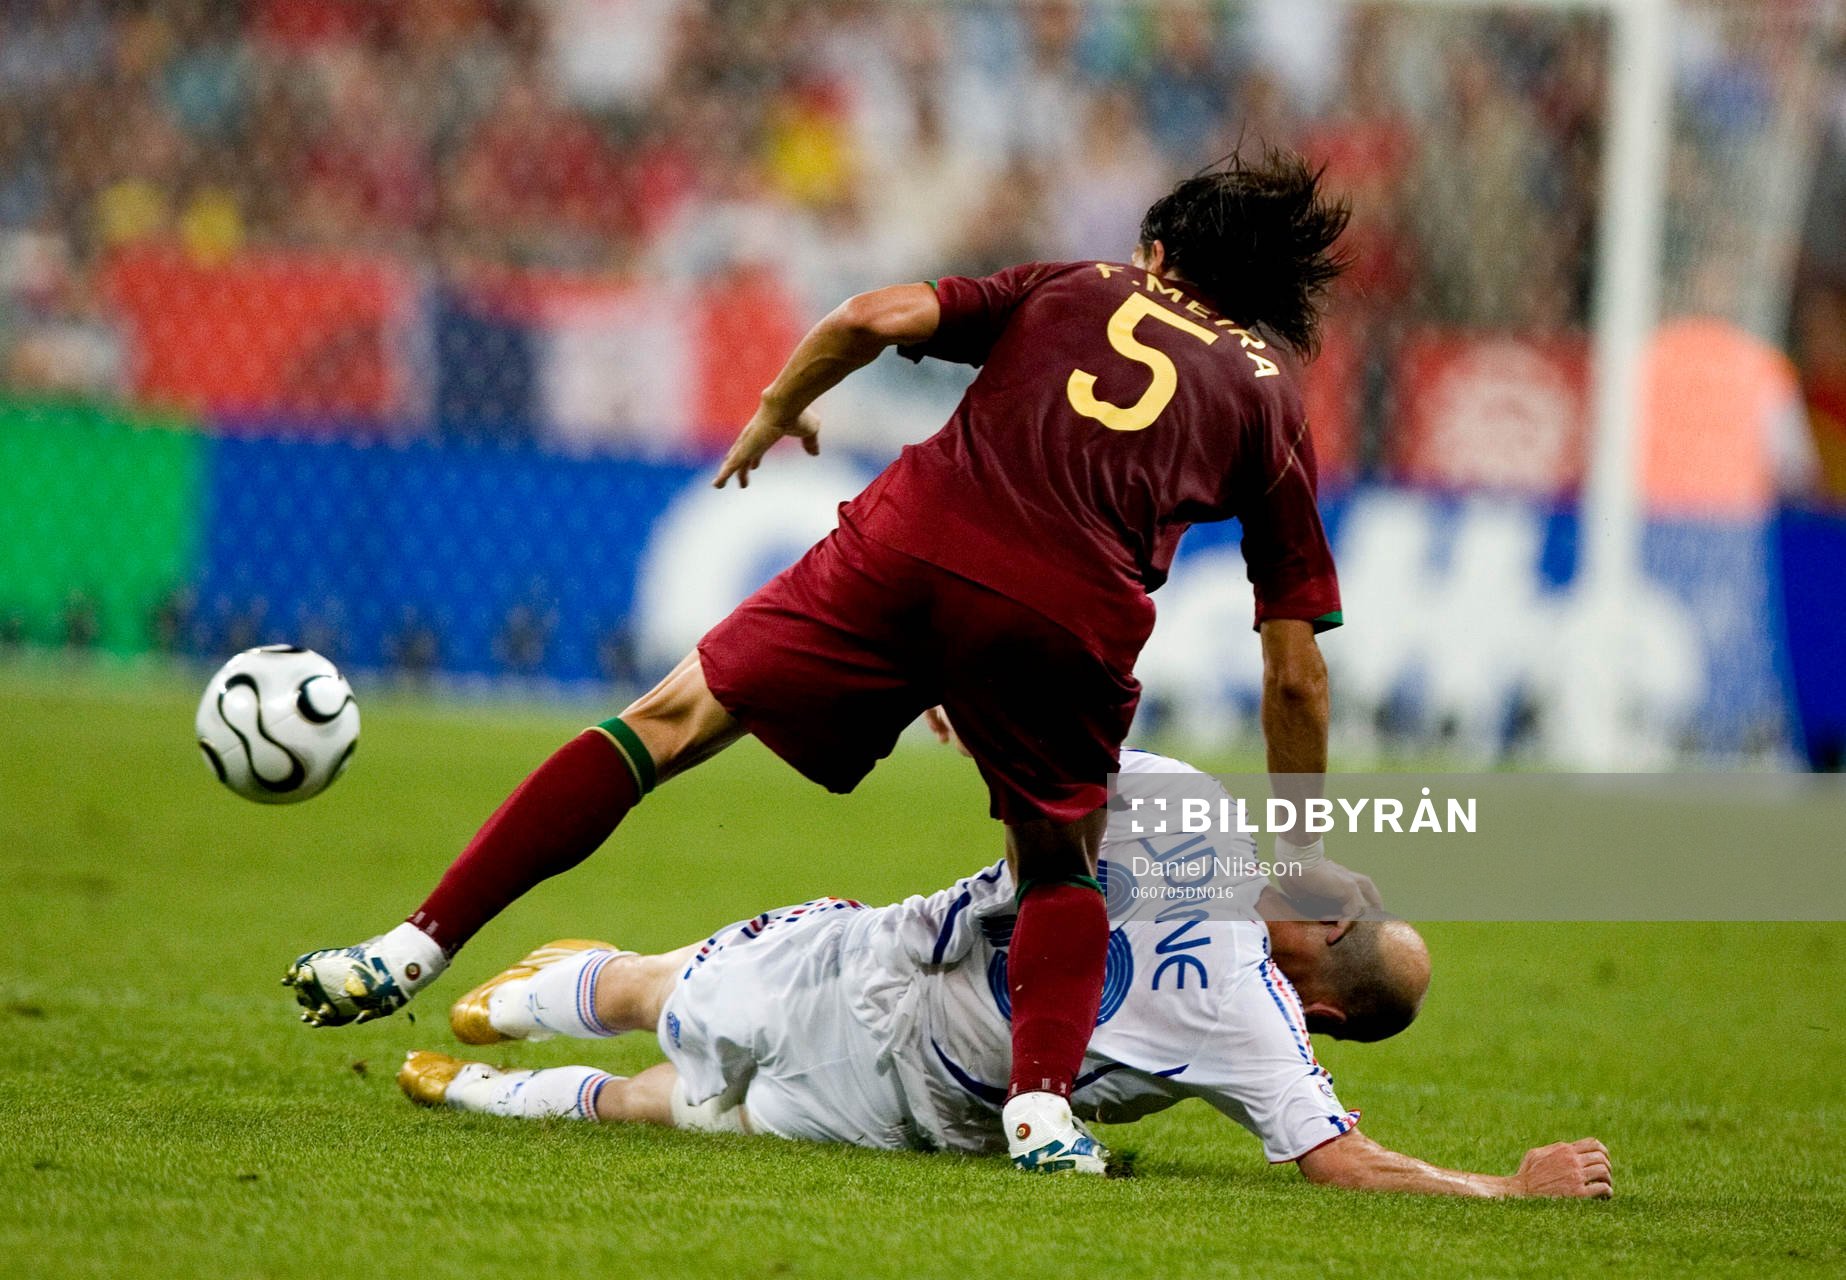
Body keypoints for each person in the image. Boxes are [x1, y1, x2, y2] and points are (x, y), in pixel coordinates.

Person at [285, 149, 1379, 1174]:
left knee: (660, 725)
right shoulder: (1271, 396)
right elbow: (1294, 672)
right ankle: (1041, 1111)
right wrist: (1299, 849)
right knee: (1058, 863)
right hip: (1065, 615)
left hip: (911, 543)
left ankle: (409, 946)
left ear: (1159, 255)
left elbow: (870, 314)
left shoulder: (1077, 282)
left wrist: (779, 405)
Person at [395, 751, 1611, 1199]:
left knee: (684, 1063)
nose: (1343, 885)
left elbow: (1051, 752)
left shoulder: (1209, 853)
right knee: (676, 1042)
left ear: (1325, 994)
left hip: (895, 1024)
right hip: (912, 1050)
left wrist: (1507, 1189)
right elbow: (1336, 1152)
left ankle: (483, 1078)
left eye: (1351, 908)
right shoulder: (1254, 1022)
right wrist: (1500, 1187)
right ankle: (506, 1024)